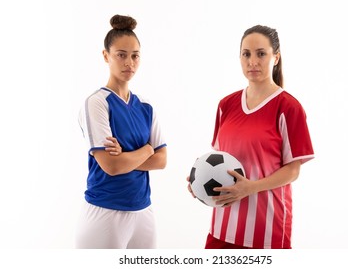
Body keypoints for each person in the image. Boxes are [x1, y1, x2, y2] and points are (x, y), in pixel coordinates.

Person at [188, 25, 314, 249]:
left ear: (276, 58)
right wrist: (200, 182)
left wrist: (250, 187)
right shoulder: (226, 105)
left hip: (266, 232)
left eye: (261, 54)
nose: (252, 61)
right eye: (246, 54)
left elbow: (293, 170)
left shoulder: (288, 107)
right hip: (221, 228)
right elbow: (221, 159)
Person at [76, 14, 167, 249]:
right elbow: (111, 166)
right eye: (121, 55)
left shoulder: (146, 106)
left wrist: (127, 155)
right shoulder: (97, 102)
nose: (130, 63)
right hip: (105, 211)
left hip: (143, 211)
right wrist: (147, 149)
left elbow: (162, 160)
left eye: (135, 56)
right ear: (106, 56)